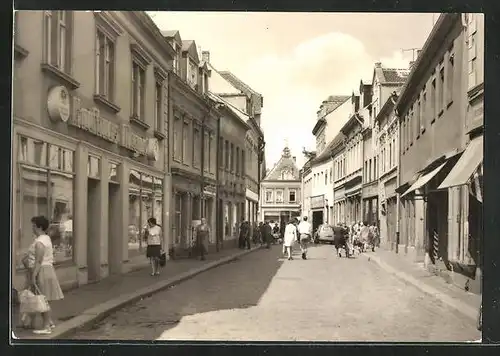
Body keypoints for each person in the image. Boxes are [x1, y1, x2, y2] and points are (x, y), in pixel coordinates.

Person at [29, 215, 64, 335]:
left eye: (33, 226)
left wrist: (33, 275)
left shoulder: (40, 242)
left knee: (42, 299)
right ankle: (49, 322)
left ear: (38, 226)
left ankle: (46, 326)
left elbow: (38, 261)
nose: (32, 228)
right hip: (48, 269)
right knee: (45, 298)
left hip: (42, 270)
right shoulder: (46, 238)